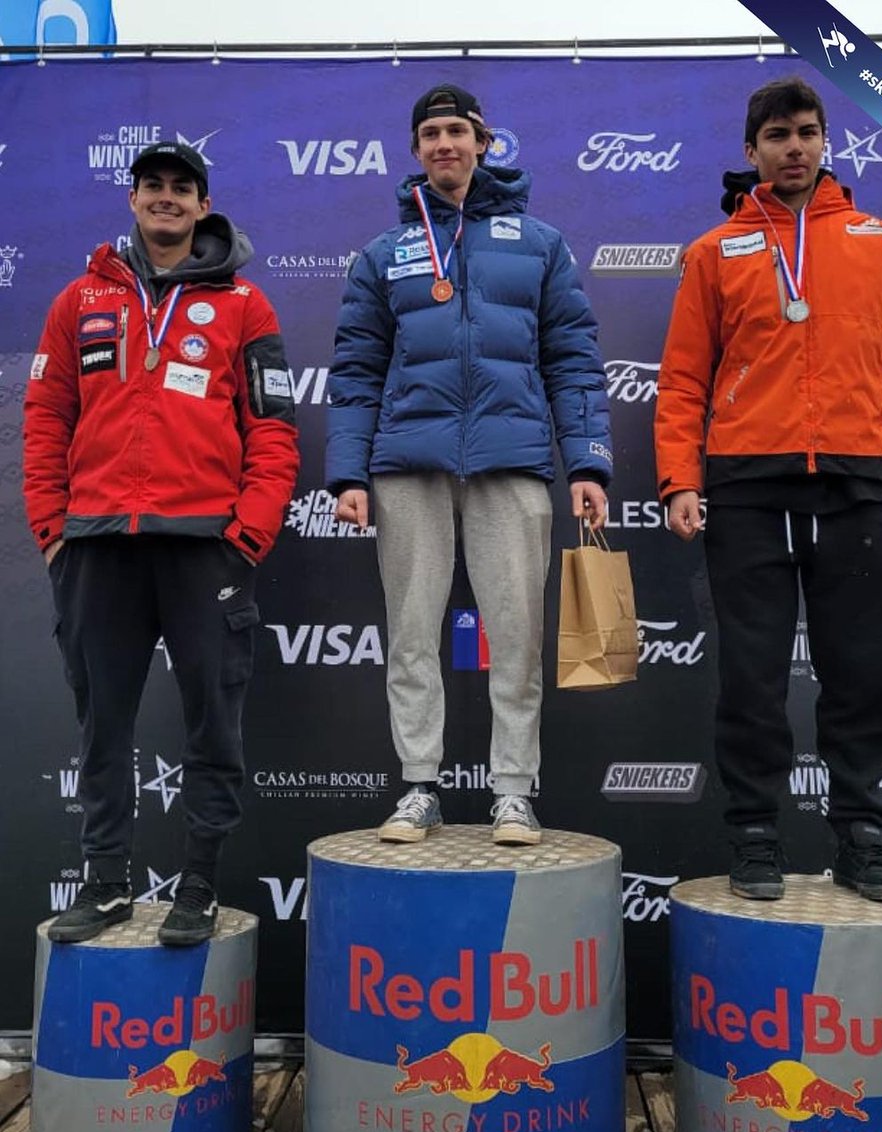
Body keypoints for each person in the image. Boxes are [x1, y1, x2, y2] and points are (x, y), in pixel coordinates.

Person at [654, 77, 882, 904]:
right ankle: (754, 835)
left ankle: (863, 839)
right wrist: (680, 479)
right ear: (751, 150)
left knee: (863, 673)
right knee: (752, 677)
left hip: (853, 484)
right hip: (747, 488)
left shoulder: (879, 241)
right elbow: (682, 381)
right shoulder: (714, 252)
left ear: (827, 142)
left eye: (808, 132)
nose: (795, 148)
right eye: (778, 135)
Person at [23, 142, 299, 944]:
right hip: (97, 545)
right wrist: (53, 531)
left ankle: (200, 887)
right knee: (103, 729)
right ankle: (106, 883)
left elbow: (273, 428)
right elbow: (46, 419)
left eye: (182, 187)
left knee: (213, 725)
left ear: (204, 204)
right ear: (134, 198)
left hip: (205, 546)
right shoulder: (79, 299)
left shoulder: (245, 304)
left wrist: (248, 536)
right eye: (153, 185)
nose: (166, 197)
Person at [326, 84, 612, 846]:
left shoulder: (539, 244)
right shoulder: (384, 254)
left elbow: (573, 360)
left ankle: (513, 791)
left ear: (484, 142)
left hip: (510, 461)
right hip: (407, 464)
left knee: (516, 635)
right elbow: (355, 370)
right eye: (431, 134)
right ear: (416, 150)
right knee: (412, 633)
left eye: (457, 131)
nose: (444, 144)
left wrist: (587, 463)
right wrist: (349, 475)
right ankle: (419, 786)